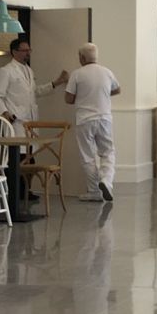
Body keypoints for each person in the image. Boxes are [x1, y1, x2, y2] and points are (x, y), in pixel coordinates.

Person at [64, 43, 120, 202]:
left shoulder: (77, 74)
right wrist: (101, 94)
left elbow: (68, 99)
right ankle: (106, 181)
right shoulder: (107, 72)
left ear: (82, 57)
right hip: (105, 118)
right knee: (108, 152)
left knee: (88, 156)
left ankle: (94, 191)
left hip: (85, 120)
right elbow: (117, 89)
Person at [0, 36, 68, 135]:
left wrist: (56, 83)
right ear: (14, 52)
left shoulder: (29, 70)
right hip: (16, 120)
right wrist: (5, 113)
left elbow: (34, 92)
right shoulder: (6, 71)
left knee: (32, 149)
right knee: (18, 149)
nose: (28, 53)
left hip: (32, 118)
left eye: (29, 50)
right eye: (24, 50)